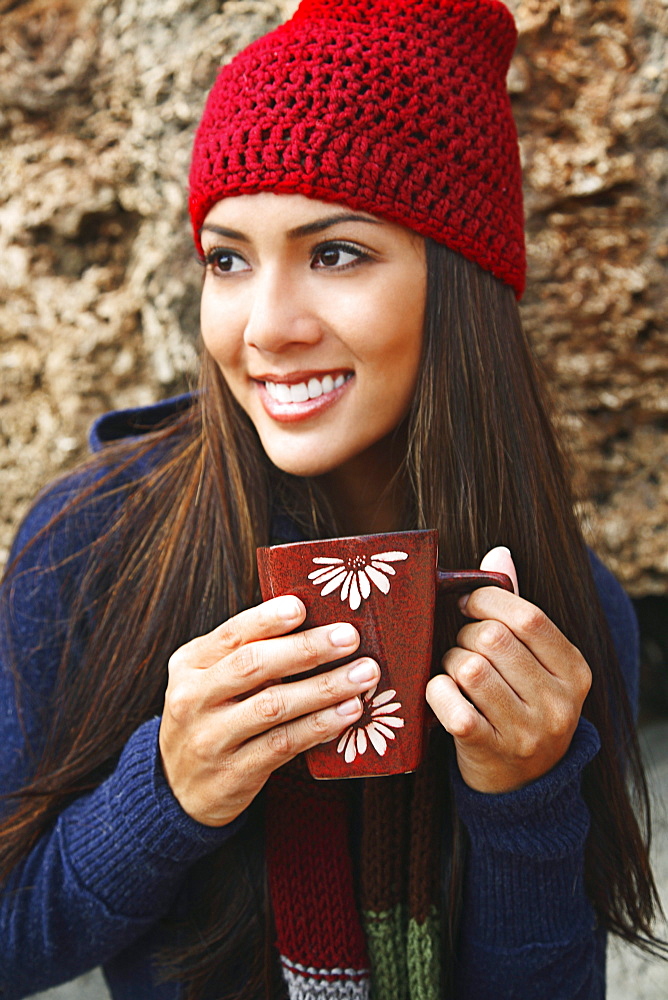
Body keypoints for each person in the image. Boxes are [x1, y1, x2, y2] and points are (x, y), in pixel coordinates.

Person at [0, 1, 662, 998]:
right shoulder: (89, 546)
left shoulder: (559, 615)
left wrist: (524, 805)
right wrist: (164, 794)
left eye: (335, 252)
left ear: (459, 282)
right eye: (226, 258)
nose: (264, 328)